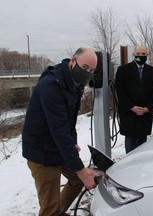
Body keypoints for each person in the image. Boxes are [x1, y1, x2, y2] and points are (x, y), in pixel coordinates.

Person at [22, 47, 99, 216]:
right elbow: (58, 128)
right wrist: (80, 168)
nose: (87, 73)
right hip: (42, 152)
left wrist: (72, 142)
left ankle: (57, 212)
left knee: (77, 182)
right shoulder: (51, 85)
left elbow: (68, 122)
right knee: (49, 207)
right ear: (72, 61)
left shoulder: (75, 83)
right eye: (85, 67)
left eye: (91, 70)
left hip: (59, 146)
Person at [115, 45, 153, 153]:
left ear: (147, 55)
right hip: (129, 115)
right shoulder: (123, 70)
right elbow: (120, 92)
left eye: (143, 54)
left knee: (142, 147)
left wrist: (147, 108)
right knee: (130, 146)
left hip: (145, 115)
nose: (141, 56)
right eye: (138, 54)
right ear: (133, 55)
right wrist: (131, 107)